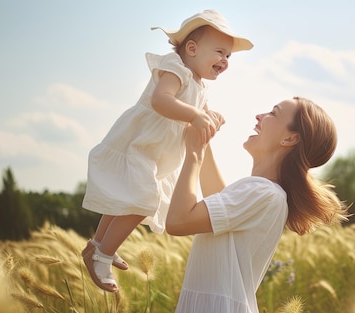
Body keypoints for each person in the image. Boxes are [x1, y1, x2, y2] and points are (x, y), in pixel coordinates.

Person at [80, 9, 253, 292]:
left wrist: (211, 118)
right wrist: (196, 116)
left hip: (157, 155)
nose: (225, 61)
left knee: (126, 197)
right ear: (192, 48)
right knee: (142, 199)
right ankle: (104, 253)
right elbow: (162, 101)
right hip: (140, 143)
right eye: (220, 52)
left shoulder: (199, 86)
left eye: (229, 56)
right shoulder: (176, 67)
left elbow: (200, 115)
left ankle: (98, 245)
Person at [166, 97, 350, 312]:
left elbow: (178, 222)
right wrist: (202, 134)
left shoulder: (263, 193)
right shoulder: (262, 192)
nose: (259, 116)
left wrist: (194, 155)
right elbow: (217, 199)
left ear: (290, 138)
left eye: (273, 113)